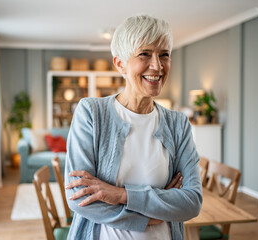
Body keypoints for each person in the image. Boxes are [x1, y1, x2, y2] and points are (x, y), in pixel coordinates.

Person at [64, 14, 202, 240]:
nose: (157, 65)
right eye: (144, 54)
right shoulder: (91, 113)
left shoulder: (178, 125)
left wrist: (120, 195)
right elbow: (80, 198)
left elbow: (192, 202)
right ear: (120, 64)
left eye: (164, 54)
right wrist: (153, 215)